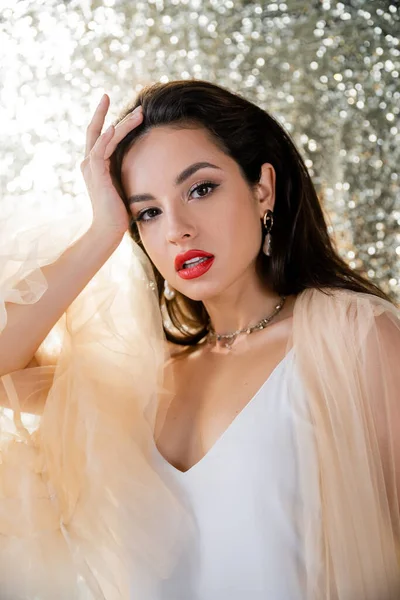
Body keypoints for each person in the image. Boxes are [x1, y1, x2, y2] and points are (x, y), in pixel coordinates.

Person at [0, 80, 399, 600]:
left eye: (200, 189)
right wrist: (102, 231)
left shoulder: (354, 338)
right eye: (148, 212)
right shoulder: (142, 380)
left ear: (262, 189)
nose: (178, 229)